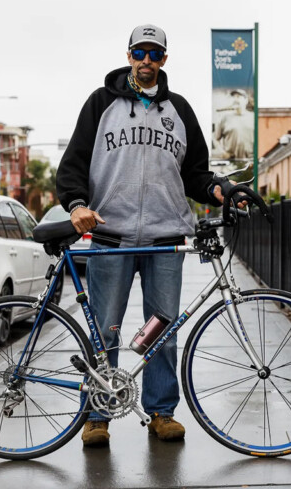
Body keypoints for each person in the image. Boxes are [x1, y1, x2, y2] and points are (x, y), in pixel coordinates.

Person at [56, 24, 235, 447]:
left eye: (155, 54)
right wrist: (77, 204)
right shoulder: (100, 104)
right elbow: (74, 163)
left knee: (162, 332)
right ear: (129, 54)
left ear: (165, 59)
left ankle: (162, 413)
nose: (147, 61)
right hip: (110, 237)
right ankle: (97, 416)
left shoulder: (180, 111)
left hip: (165, 239)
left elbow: (195, 175)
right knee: (106, 330)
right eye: (140, 52)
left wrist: (221, 190)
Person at [212, 88, 254, 160]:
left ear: (246, 100)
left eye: (238, 97)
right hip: (231, 161)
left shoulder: (253, 117)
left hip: (250, 160)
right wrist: (223, 153)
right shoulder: (225, 118)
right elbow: (215, 139)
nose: (235, 99)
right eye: (233, 97)